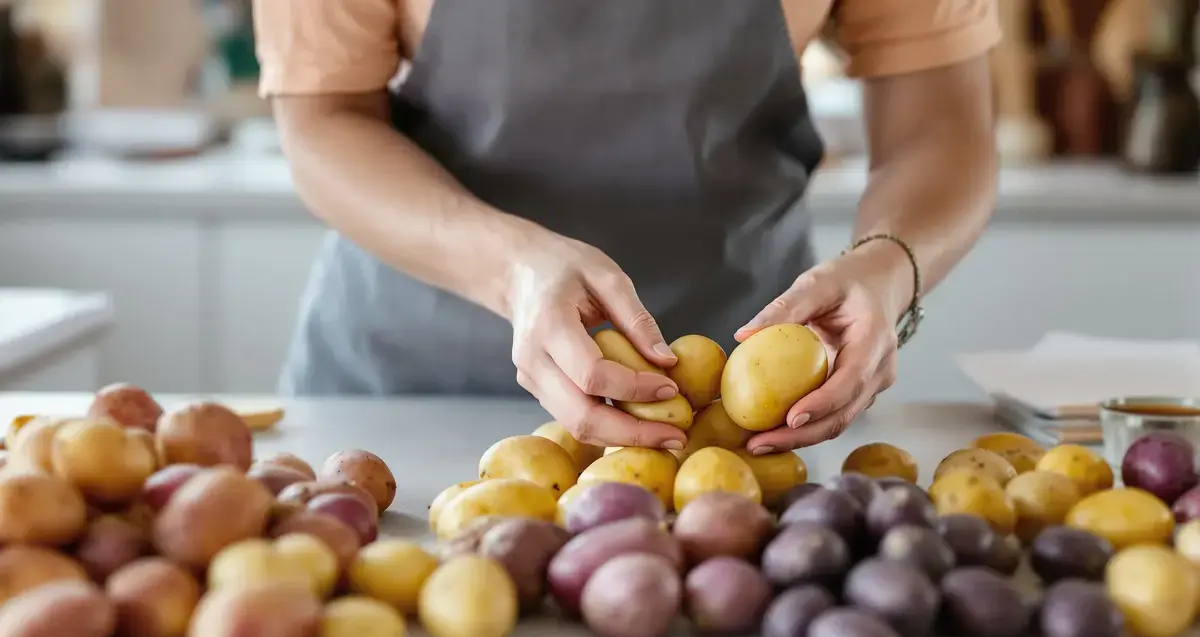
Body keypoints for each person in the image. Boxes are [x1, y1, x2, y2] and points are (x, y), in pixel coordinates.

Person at [253, 0, 999, 455]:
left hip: (735, 420)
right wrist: (510, 266)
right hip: (408, 390)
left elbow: (942, 127)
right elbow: (323, 120)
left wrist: (889, 266)